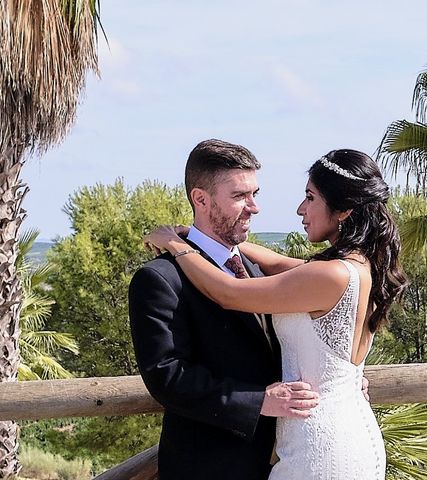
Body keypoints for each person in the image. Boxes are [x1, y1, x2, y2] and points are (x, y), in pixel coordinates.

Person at [144, 148, 409, 480]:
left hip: (319, 445)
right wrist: (196, 238)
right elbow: (270, 260)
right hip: (343, 430)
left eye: (310, 198)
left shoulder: (328, 275)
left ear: (343, 210)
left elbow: (228, 293)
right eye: (241, 195)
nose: (300, 209)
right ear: (201, 199)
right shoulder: (353, 269)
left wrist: (177, 245)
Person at [128, 139, 320, 480]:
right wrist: (258, 400)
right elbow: (166, 375)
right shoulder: (159, 279)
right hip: (208, 466)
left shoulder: (256, 269)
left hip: (283, 462)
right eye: (239, 196)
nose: (254, 207)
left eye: (254, 194)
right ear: (200, 199)